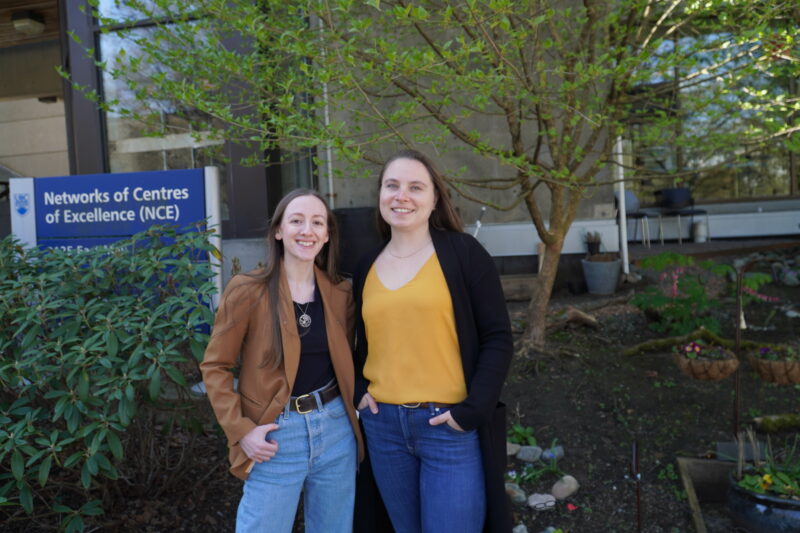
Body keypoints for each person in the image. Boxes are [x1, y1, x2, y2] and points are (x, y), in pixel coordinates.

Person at [352, 149, 513, 533]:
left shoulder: (464, 255)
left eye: (415, 187)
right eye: (392, 185)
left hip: (448, 426)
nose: (401, 196)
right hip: (384, 428)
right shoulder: (365, 265)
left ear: (435, 198)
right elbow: (354, 341)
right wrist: (358, 388)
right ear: (380, 195)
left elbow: (498, 337)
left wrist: (473, 410)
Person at [201, 189, 362, 533]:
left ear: (327, 234)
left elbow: (353, 359)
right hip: (275, 435)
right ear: (278, 231)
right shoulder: (247, 290)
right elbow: (215, 367)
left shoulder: (340, 292)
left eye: (318, 222)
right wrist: (241, 430)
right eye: (297, 220)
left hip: (336, 430)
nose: (308, 230)